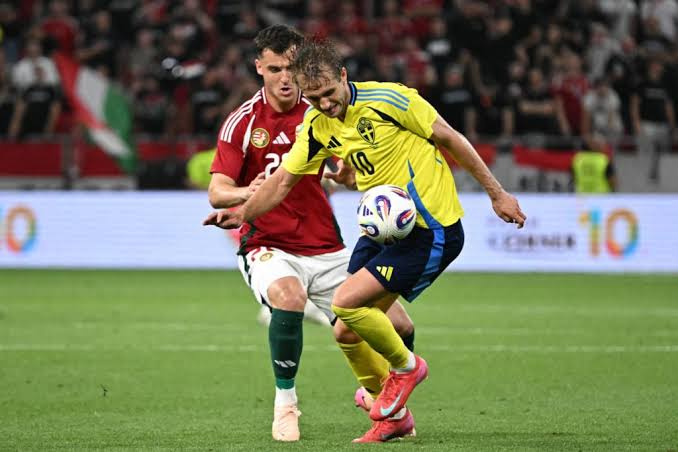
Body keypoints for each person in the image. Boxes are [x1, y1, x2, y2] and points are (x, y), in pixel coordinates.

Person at [204, 38, 526, 443]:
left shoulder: (390, 99)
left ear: (343, 76)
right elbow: (283, 180)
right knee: (345, 331)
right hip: (383, 232)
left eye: (329, 93)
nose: (324, 104)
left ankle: (406, 369)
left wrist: (497, 194)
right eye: (314, 98)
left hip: (429, 230)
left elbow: (451, 138)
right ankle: (393, 417)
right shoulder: (316, 126)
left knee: (345, 303)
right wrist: (243, 213)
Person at [205, 25, 415, 443]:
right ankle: (285, 405)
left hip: (325, 245)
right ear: (259, 68)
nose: (285, 78)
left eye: (291, 68)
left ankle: (385, 401)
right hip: (268, 244)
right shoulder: (243, 122)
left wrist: (347, 175)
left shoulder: (320, 111)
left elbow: (350, 167)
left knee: (399, 325)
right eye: (275, 69)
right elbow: (217, 191)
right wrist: (250, 192)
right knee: (289, 298)